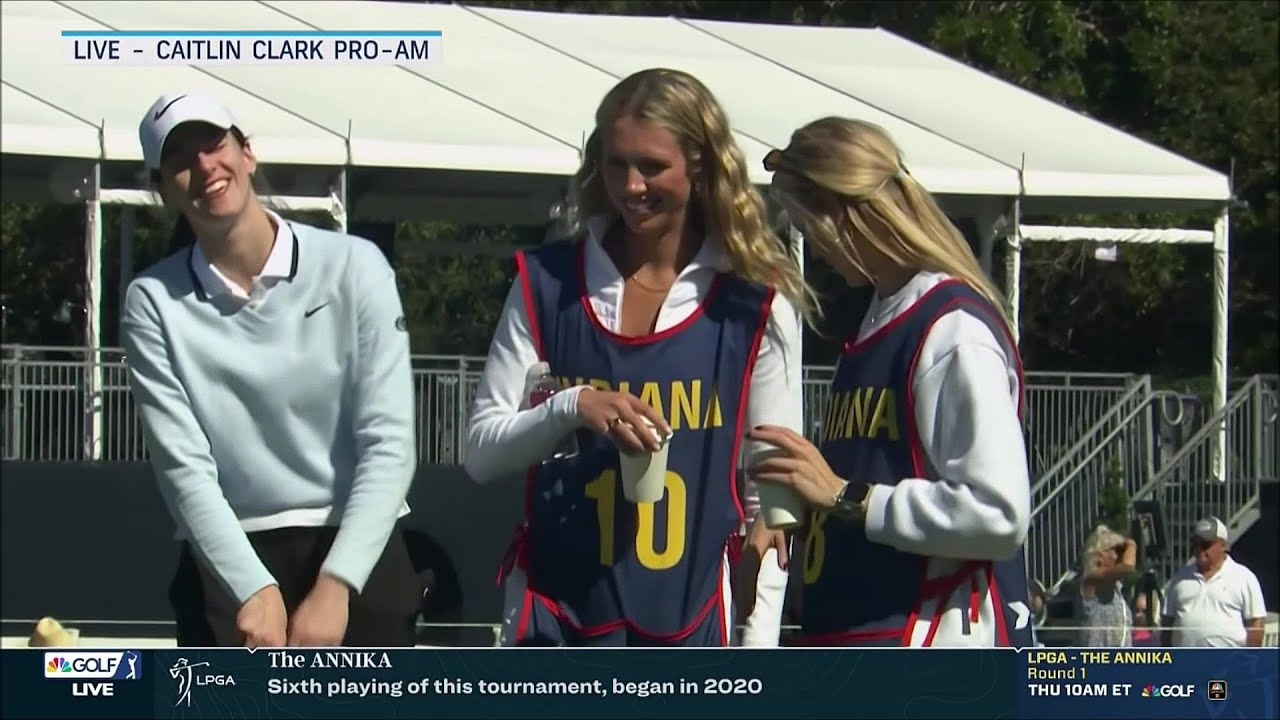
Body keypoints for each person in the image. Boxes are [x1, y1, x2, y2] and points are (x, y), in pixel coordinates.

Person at [464, 68, 810, 647]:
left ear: (699, 164)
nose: (630, 186)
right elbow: (481, 453)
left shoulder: (756, 298)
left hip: (694, 618)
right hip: (557, 618)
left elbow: (769, 502)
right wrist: (572, 407)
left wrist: (758, 653)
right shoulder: (546, 283)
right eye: (617, 163)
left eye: (651, 166)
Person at [122, 92, 422, 649]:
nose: (205, 166)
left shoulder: (356, 265)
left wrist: (335, 586)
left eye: (214, 144)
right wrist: (253, 590)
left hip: (359, 554)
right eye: (180, 158)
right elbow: (184, 470)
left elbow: (390, 442)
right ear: (162, 189)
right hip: (230, 562)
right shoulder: (151, 301)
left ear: (247, 154)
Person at [740, 117, 1033, 647]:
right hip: (863, 637)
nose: (810, 242)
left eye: (808, 222)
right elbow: (870, 484)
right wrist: (801, 508)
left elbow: (998, 514)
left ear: (842, 210)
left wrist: (844, 497)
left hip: (931, 653)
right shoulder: (881, 318)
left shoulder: (952, 329)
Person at [1161, 516, 1267, 647]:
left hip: (1229, 663)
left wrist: (1248, 659)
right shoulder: (1180, 578)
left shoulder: (1244, 577)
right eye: (1196, 544)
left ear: (1223, 545)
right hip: (1186, 662)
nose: (1200, 550)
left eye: (1205, 545)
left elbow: (1255, 623)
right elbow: (1167, 622)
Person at [1075, 525, 1135, 647]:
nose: (1123, 555)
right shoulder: (1090, 581)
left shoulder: (1117, 590)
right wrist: (1131, 543)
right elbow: (1128, 566)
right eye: (1118, 550)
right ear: (1099, 555)